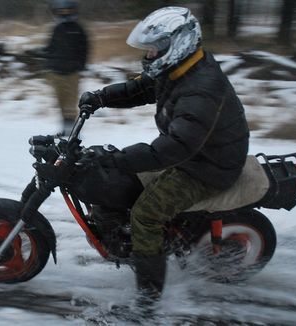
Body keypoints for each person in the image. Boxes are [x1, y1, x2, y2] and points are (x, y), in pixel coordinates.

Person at [78, 6, 249, 298]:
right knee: (118, 179)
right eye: (149, 50)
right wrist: (101, 97)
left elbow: (174, 148)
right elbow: (142, 89)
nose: (149, 56)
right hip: (195, 153)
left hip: (207, 167)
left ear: (179, 44)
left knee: (145, 214)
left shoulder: (201, 89)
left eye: (154, 49)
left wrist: (118, 159)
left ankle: (148, 301)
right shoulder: (182, 69)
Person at [29, 0, 89, 136]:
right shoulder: (57, 29)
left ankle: (73, 130)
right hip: (56, 72)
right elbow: (51, 47)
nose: (65, 14)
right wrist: (46, 61)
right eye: (62, 11)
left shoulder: (78, 29)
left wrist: (81, 66)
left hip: (72, 72)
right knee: (61, 101)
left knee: (71, 102)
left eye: (68, 11)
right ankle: (65, 127)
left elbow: (84, 49)